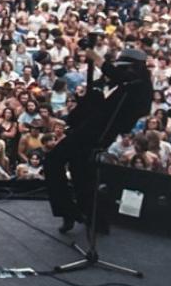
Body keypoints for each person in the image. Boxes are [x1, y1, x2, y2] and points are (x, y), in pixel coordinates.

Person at [45, 49, 153, 233]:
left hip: (96, 134)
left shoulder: (140, 85)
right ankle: (92, 218)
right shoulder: (124, 85)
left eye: (125, 68)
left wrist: (96, 58)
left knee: (54, 161)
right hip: (88, 131)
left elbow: (120, 78)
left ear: (135, 68)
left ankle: (71, 212)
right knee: (80, 172)